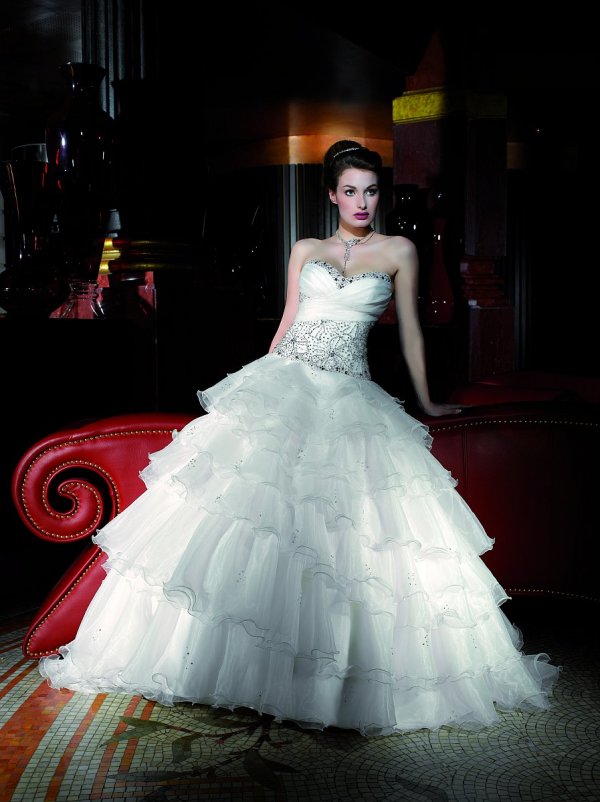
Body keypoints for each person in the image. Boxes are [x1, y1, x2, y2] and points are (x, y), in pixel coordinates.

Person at [39, 139, 559, 736]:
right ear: (332, 195)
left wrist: (428, 399)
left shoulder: (399, 250)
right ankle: (228, 667)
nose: (362, 201)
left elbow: (411, 331)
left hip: (350, 394)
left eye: (371, 191)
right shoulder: (306, 248)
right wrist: (257, 384)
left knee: (344, 536)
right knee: (252, 520)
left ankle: (324, 678)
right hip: (286, 383)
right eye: (351, 191)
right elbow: (288, 321)